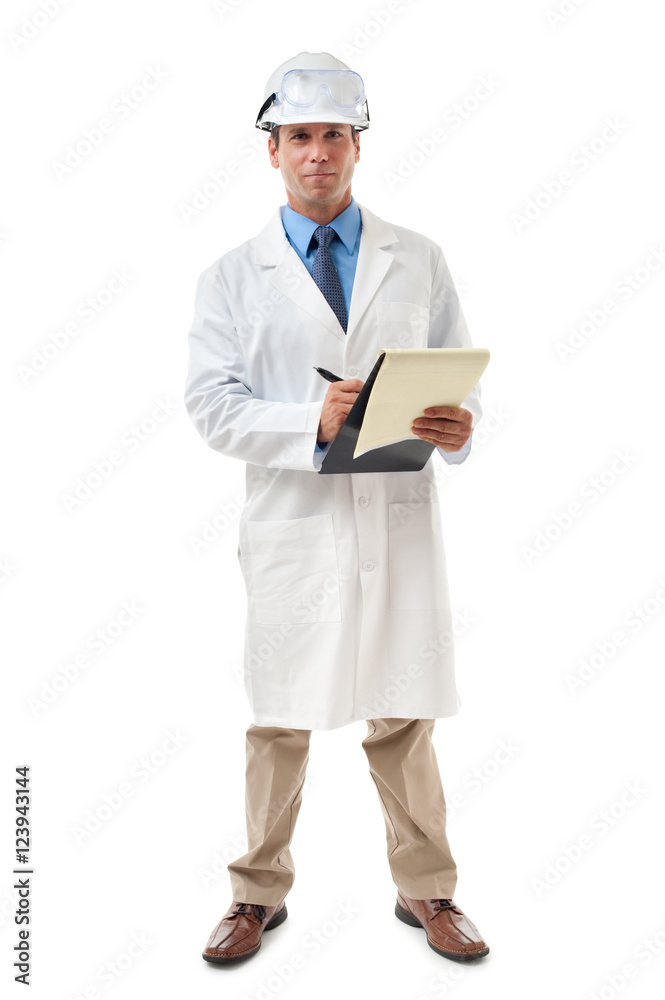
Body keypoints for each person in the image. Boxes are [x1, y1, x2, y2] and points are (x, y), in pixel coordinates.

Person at [184, 51, 490, 965]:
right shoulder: (232, 277)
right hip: (295, 526)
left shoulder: (419, 258)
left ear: (358, 146)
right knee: (278, 716)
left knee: (403, 715)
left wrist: (455, 428)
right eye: (300, 137)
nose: (317, 153)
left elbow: (462, 382)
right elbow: (211, 406)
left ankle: (427, 890)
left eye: (334, 136)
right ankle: (255, 895)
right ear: (271, 152)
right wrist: (304, 421)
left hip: (395, 517)